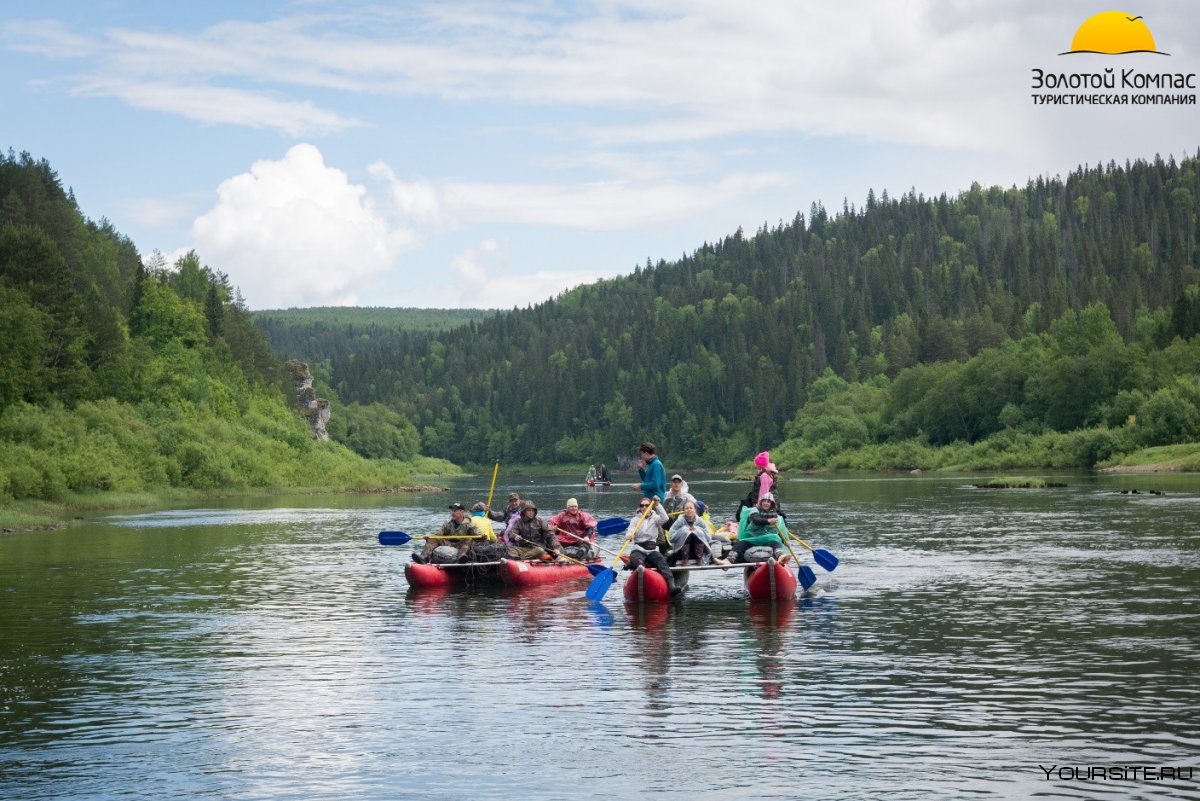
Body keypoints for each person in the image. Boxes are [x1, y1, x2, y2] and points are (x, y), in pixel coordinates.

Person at [623, 498, 680, 597]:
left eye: (647, 505)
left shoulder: (655, 519)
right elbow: (630, 531)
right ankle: (637, 564)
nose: (644, 507)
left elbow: (665, 518)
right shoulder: (635, 520)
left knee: (662, 563)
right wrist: (629, 535)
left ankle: (672, 586)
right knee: (635, 558)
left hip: (652, 549)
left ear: (650, 506)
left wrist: (657, 504)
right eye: (642, 505)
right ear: (640, 507)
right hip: (639, 548)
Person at [412, 502, 492, 564]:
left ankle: (462, 557)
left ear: (461, 512)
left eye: (455, 511)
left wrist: (482, 536)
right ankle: (424, 557)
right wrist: (429, 537)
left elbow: (478, 534)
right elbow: (438, 534)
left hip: (462, 546)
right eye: (452, 510)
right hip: (449, 543)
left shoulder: (469, 524)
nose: (452, 513)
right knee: (433, 538)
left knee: (469, 538)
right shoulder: (448, 524)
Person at [729, 493, 790, 564]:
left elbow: (779, 530)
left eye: (768, 501)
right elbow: (756, 520)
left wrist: (784, 540)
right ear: (761, 502)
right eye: (764, 501)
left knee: (775, 541)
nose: (766, 503)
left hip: (768, 540)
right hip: (753, 538)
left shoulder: (776, 516)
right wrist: (768, 521)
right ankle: (728, 560)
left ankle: (781, 556)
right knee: (739, 544)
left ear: (772, 504)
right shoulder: (754, 511)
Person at [667, 500, 719, 566]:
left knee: (697, 530)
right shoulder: (679, 521)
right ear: (684, 510)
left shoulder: (700, 521)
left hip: (696, 548)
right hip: (681, 549)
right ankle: (685, 559)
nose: (689, 510)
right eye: (687, 508)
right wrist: (683, 531)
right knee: (685, 530)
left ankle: (699, 558)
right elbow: (671, 538)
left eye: (691, 508)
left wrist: (697, 530)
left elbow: (708, 538)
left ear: (695, 509)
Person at [735, 451, 781, 520]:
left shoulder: (765, 475)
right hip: (768, 500)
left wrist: (758, 505)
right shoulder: (767, 473)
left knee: (743, 506)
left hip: (765, 500)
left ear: (760, 465)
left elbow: (764, 492)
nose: (756, 465)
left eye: (756, 464)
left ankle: (742, 522)